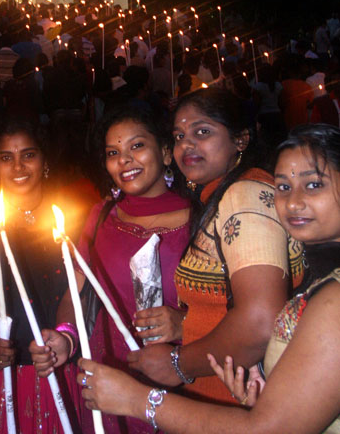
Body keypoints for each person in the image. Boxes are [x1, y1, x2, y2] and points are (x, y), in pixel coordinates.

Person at [77, 123, 340, 434]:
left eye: (313, 185)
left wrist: (137, 399)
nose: (293, 202)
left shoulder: (334, 301)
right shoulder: (319, 277)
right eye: (282, 186)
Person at [124, 88, 303, 403]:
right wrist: (185, 325)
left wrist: (177, 365)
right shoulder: (225, 195)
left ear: (240, 140)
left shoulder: (243, 196)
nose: (186, 145)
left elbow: (261, 321)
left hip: (237, 401)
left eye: (202, 132)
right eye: (179, 136)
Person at [32, 106, 191, 433]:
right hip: (110, 379)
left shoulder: (201, 217)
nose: (124, 160)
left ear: (164, 151)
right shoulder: (102, 215)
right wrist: (66, 338)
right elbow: (74, 294)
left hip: (182, 381)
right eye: (113, 152)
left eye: (137, 146)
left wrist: (184, 326)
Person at [0, 119, 82, 433]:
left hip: (53, 367)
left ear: (45, 161)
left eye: (28, 155)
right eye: (6, 157)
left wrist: (65, 336)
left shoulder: (68, 217)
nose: (18, 166)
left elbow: (74, 293)